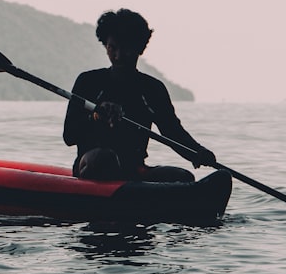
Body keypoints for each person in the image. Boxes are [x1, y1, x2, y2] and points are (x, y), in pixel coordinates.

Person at [63, 9, 216, 182]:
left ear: (140, 48)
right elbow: (69, 136)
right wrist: (97, 116)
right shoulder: (88, 82)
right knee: (105, 159)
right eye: (113, 48)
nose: (119, 56)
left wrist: (197, 152)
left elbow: (172, 132)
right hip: (91, 165)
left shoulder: (152, 89)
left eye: (127, 48)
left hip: (133, 169)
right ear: (106, 46)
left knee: (184, 177)